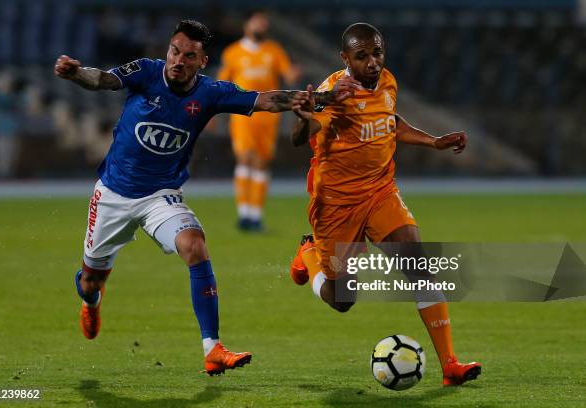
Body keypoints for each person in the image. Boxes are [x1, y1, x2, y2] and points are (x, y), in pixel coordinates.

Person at [54, 19, 356, 376]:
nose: (178, 60)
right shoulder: (146, 72)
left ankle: (212, 348)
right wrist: (75, 73)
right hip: (112, 196)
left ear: (202, 60)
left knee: (195, 245)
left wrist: (320, 99)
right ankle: (91, 301)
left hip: (160, 196)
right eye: (175, 51)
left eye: (189, 56)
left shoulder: (210, 93)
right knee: (91, 281)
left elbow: (266, 100)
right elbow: (102, 79)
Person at [289, 22, 481, 386]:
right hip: (336, 204)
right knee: (342, 299)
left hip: (380, 191)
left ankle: (450, 366)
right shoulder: (335, 92)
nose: (372, 62)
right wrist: (301, 119)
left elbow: (389, 121)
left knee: (419, 265)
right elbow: (304, 135)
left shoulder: (388, 81)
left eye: (377, 53)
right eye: (362, 56)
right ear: (346, 58)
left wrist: (433, 142)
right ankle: (309, 255)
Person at [217, 10, 300, 231]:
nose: (261, 27)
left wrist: (294, 74)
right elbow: (222, 82)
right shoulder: (233, 52)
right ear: (247, 25)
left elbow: (287, 74)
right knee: (245, 158)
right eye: (258, 22)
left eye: (264, 24)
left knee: (262, 162)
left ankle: (256, 215)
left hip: (269, 116)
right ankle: (244, 214)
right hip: (242, 114)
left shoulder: (274, 50)